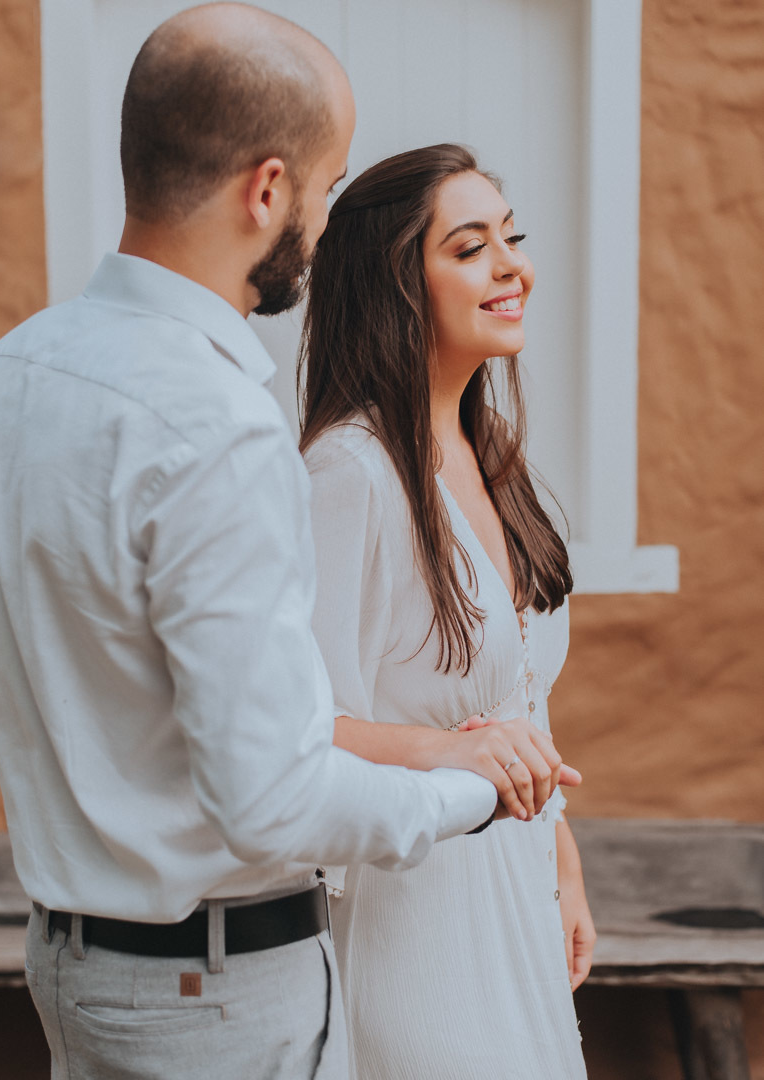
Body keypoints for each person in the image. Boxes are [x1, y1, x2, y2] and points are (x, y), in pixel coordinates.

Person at [0, 12, 571, 1077]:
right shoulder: (218, 424)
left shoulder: (8, 374)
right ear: (268, 190)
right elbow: (272, 794)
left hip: (75, 966)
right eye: (327, 190)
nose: (324, 224)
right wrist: (476, 781)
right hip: (220, 990)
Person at [300, 144, 595, 1079]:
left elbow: (519, 703)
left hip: (516, 896)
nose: (513, 267)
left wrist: (561, 854)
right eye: (470, 248)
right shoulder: (347, 475)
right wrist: (445, 750)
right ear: (396, 283)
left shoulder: (493, 455)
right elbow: (298, 733)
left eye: (511, 238)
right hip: (415, 920)